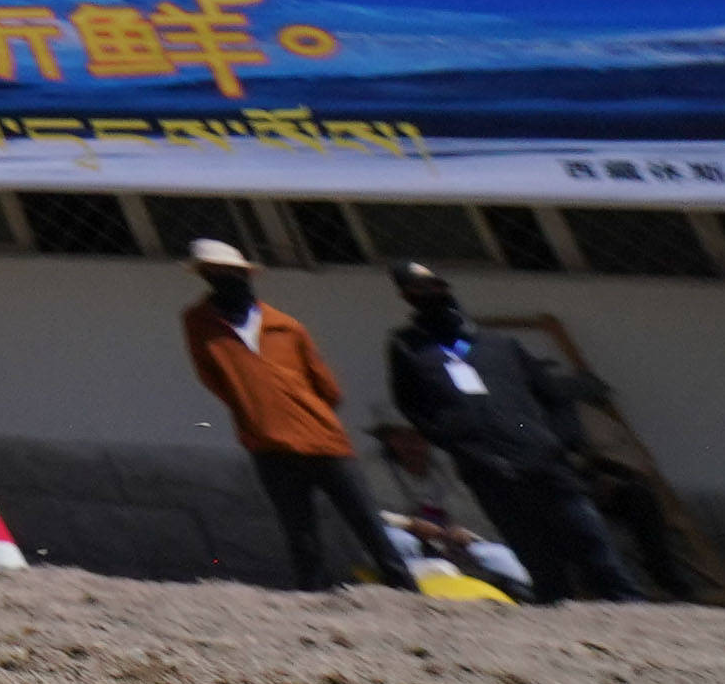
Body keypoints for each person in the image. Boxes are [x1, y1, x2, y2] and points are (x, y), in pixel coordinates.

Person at [372, 264, 639, 607]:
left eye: (433, 286)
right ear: (406, 296)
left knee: (590, 543)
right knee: (535, 556)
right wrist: (453, 438)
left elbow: (552, 394)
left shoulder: (499, 345)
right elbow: (410, 404)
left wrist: (556, 441)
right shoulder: (409, 349)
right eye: (416, 290)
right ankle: (558, 615)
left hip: (540, 459)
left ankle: (629, 607)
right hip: (485, 468)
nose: (428, 296)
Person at [176, 239, 394, 591]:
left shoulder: (286, 327)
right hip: (266, 441)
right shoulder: (198, 323)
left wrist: (302, 408)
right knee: (299, 526)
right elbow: (212, 376)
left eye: (230, 272)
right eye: (214, 272)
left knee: (364, 518)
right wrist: (252, 407)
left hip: (321, 437)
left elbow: (326, 386)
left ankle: (401, 585)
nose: (223, 277)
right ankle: (313, 592)